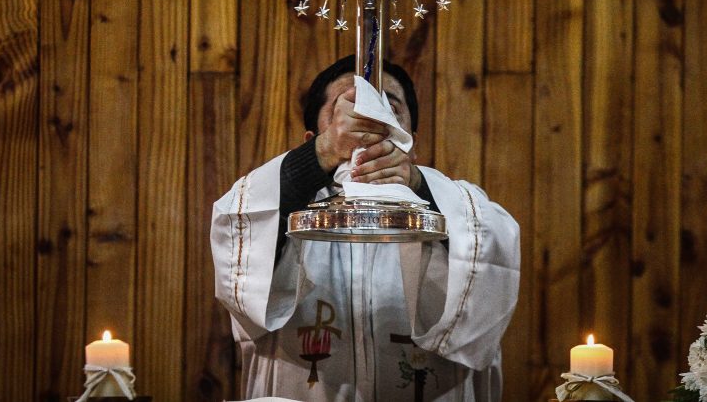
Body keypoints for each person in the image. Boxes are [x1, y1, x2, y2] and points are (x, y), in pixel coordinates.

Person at [211, 55, 520, 401]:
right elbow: (238, 248)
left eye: (389, 109)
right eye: (346, 111)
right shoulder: (275, 207)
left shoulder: (457, 206)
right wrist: (321, 155)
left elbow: (491, 263)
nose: (370, 123)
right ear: (312, 138)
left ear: (411, 142)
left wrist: (417, 185)